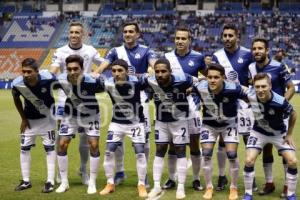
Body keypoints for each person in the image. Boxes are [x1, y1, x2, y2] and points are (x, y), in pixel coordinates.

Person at [93, 21, 157, 185]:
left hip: (140, 95)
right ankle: (120, 171)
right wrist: (97, 73)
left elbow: (154, 67)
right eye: (125, 32)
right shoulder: (116, 51)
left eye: (131, 31)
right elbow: (104, 65)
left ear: (138, 34)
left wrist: (150, 71)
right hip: (121, 95)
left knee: (145, 136)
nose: (127, 34)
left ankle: (145, 175)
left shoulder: (146, 51)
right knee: (118, 135)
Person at [50, 21, 104, 185]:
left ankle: (83, 169)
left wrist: (96, 72)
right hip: (64, 97)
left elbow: (104, 62)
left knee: (85, 137)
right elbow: (53, 70)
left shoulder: (90, 50)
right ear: (69, 34)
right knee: (62, 136)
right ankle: (60, 171)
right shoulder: (60, 51)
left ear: (83, 34)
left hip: (86, 97)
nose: (74, 35)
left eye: (77, 32)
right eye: (71, 32)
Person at [248, 37, 295, 197]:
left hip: (279, 114)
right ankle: (269, 183)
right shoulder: (251, 67)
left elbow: (291, 87)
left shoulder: (278, 66)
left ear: (267, 50)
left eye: (260, 48)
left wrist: (281, 104)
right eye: (254, 49)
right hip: (262, 116)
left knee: (283, 151)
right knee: (266, 148)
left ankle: (288, 186)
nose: (257, 51)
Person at [194, 63, 247, 200]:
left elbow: (250, 95)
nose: (212, 80)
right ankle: (209, 187)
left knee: (232, 154)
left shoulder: (233, 88)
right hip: (209, 125)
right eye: (209, 77)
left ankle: (233, 188)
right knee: (206, 154)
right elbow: (189, 84)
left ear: (223, 77)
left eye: (216, 77)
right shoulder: (201, 87)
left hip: (229, 124)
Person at [212, 23, 254, 191]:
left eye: (231, 35)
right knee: (223, 140)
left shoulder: (247, 54)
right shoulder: (217, 56)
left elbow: (253, 77)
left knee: (248, 140)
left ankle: (249, 175)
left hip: (244, 104)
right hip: (224, 103)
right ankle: (222, 176)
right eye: (225, 36)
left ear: (238, 36)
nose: (227, 39)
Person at [163, 25, 206, 191]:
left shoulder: (198, 57)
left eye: (183, 38)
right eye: (177, 38)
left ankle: (196, 179)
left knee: (194, 144)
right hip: (172, 107)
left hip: (192, 107)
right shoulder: (166, 57)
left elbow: (207, 78)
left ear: (189, 40)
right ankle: (171, 178)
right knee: (172, 145)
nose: (180, 41)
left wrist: (194, 87)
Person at [243, 73, 298, 200]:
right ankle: (248, 194)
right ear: (254, 87)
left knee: (292, 161)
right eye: (257, 87)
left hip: (279, 134)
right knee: (249, 160)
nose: (260, 90)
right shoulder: (250, 94)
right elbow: (237, 87)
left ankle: (291, 194)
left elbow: (293, 114)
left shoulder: (280, 101)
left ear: (270, 86)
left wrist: (289, 134)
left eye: (263, 86)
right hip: (258, 132)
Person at [98, 59, 148, 198]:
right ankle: (110, 183)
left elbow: (153, 82)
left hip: (136, 123)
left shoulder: (136, 82)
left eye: (120, 70)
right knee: (108, 152)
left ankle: (141, 184)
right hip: (117, 122)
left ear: (126, 71)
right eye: (114, 71)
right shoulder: (108, 83)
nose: (116, 74)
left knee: (139, 152)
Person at [55, 55, 103, 194]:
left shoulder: (91, 81)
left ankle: (92, 182)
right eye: (69, 69)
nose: (72, 72)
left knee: (94, 145)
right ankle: (64, 182)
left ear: (82, 69)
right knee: (62, 144)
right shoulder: (61, 79)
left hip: (91, 115)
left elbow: (108, 88)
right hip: (70, 116)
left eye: (76, 69)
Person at [147, 58, 192, 199]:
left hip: (180, 121)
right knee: (160, 150)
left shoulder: (183, 79)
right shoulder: (151, 80)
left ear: (170, 71)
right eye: (157, 71)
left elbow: (200, 82)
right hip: (161, 121)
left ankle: (181, 187)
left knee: (180, 151)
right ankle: (156, 186)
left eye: (163, 71)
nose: (160, 74)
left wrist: (192, 90)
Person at [12, 58, 56, 193]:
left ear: (37, 71)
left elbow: (63, 89)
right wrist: (23, 119)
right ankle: (26, 181)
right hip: (30, 121)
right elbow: (16, 100)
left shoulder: (48, 78)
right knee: (24, 149)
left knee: (49, 149)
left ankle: (50, 181)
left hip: (47, 120)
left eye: (29, 72)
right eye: (23, 71)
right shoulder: (17, 83)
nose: (25, 75)